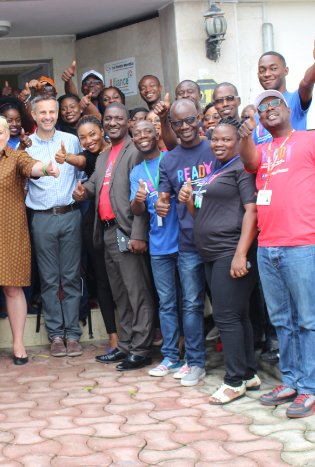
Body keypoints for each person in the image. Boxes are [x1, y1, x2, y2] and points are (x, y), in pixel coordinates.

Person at [239, 90, 315, 418]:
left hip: (302, 245)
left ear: (287, 107)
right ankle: (291, 381)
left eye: (275, 103)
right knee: (283, 320)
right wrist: (245, 135)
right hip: (268, 246)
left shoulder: (313, 141)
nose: (269, 109)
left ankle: (309, 389)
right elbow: (248, 162)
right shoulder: (262, 148)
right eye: (262, 107)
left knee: (309, 319)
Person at [0, 114, 60, 370]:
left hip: (10, 234)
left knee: (12, 290)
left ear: (8, 135)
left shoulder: (17, 157)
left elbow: (32, 167)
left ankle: (18, 344)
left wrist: (47, 169)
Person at [179, 116, 261, 404]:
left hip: (231, 252)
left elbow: (252, 212)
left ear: (238, 141)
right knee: (238, 315)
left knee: (226, 317)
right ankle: (249, 374)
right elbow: (200, 213)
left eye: (226, 139)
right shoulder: (215, 170)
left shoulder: (242, 168)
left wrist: (240, 254)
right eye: (215, 139)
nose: (219, 144)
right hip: (211, 254)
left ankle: (234, 381)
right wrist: (188, 198)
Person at [73, 103, 154, 371]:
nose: (112, 123)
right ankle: (126, 345)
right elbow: (96, 183)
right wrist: (83, 191)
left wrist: (139, 234)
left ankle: (141, 349)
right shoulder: (105, 154)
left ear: (128, 122)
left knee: (137, 292)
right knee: (121, 293)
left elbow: (143, 193)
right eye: (108, 119)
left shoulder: (135, 150)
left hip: (128, 231)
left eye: (118, 118)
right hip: (107, 232)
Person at [154, 98, 218, 386]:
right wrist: (160, 204)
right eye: (177, 122)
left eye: (189, 119)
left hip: (220, 240)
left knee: (226, 305)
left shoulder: (215, 149)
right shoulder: (169, 160)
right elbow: (163, 198)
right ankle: (195, 362)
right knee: (191, 304)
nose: (184, 126)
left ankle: (238, 364)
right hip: (189, 242)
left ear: (200, 117)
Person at [25, 94, 86, 357]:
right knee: (49, 279)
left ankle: (72, 333)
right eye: (42, 112)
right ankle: (56, 335)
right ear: (33, 115)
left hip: (71, 215)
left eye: (52, 111)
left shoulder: (71, 141)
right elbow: (22, 182)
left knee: (71, 276)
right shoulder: (26, 147)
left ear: (57, 113)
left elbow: (83, 174)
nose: (48, 116)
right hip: (42, 218)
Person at [128, 120, 180, 377]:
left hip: (184, 242)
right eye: (137, 134)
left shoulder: (171, 158)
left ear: (156, 134)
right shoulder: (137, 171)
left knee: (189, 301)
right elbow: (137, 210)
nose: (143, 136)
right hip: (158, 245)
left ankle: (191, 354)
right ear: (133, 140)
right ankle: (171, 356)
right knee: (166, 303)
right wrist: (138, 200)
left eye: (147, 131)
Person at [76, 116, 118, 352]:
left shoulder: (120, 151)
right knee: (103, 281)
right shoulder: (95, 157)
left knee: (126, 280)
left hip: (120, 224)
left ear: (103, 131)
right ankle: (113, 336)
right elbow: (82, 165)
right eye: (82, 137)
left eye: (92, 134)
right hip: (94, 225)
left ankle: (134, 332)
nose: (88, 140)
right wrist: (81, 193)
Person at [252, 41, 315, 144]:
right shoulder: (257, 115)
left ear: (285, 71)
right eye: (262, 70)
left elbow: (306, 84)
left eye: (273, 68)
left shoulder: (295, 100)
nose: (267, 74)